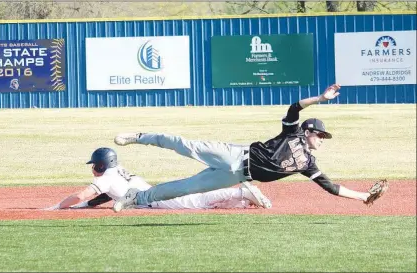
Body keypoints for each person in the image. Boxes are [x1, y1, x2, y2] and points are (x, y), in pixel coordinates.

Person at [112, 84, 388, 213]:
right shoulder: (292, 132)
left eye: (323, 137)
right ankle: (140, 136)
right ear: (308, 131)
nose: (321, 139)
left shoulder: (307, 164)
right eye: (320, 135)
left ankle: (136, 197)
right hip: (234, 154)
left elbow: (332, 188)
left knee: (186, 188)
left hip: (236, 176)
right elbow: (294, 108)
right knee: (185, 146)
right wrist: (320, 98)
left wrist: (364, 195)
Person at [43, 147, 272, 211]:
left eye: (94, 164)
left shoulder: (106, 177)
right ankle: (241, 200)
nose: (93, 168)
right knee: (197, 200)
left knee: (196, 201)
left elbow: (87, 193)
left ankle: (240, 192)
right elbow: (102, 196)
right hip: (152, 194)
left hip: (154, 201)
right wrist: (85, 206)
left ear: (101, 165)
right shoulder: (116, 172)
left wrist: (58, 206)